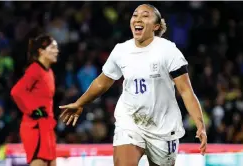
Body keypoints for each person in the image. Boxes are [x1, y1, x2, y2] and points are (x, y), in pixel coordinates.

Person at [59, 4, 207, 166]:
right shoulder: (121, 51)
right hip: (130, 122)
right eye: (135, 15)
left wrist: (200, 124)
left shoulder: (168, 51)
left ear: (156, 26)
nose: (138, 18)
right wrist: (80, 103)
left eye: (145, 15)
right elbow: (102, 82)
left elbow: (186, 91)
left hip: (163, 128)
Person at [11, 34, 59, 166]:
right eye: (53, 47)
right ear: (41, 51)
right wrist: (33, 110)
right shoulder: (35, 69)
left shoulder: (49, 72)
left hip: (47, 126)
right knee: (39, 162)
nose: (57, 51)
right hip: (35, 126)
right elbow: (16, 91)